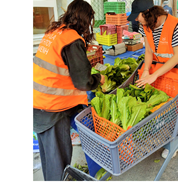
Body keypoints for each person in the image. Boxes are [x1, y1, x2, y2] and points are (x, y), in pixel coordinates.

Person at [33, 0, 105, 180]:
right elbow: (83, 81)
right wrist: (99, 79)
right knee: (58, 159)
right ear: (85, 19)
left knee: (49, 156)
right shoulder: (71, 39)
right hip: (52, 106)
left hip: (39, 101)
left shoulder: (54, 32)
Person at [127, 0, 178, 158]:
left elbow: (177, 56)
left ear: (148, 13)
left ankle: (175, 142)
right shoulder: (146, 25)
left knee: (177, 109)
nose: (136, 20)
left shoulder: (174, 25)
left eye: (138, 17)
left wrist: (154, 75)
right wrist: (146, 71)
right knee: (161, 106)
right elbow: (149, 51)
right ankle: (162, 133)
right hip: (161, 72)